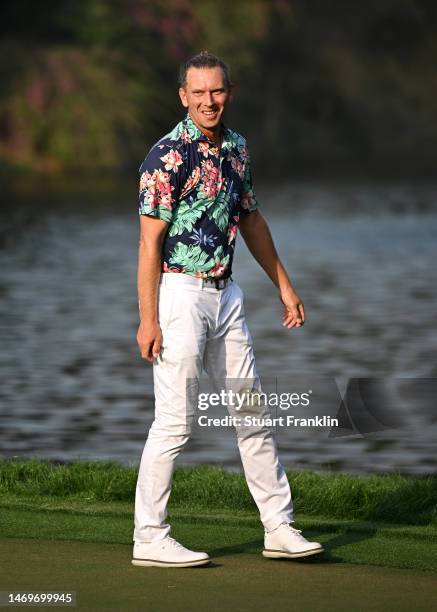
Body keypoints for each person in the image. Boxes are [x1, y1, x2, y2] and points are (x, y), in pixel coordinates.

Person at [132, 51, 323, 568]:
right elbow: (150, 245)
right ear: (183, 97)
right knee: (175, 422)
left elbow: (252, 220)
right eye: (198, 93)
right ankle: (149, 535)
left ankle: (278, 528)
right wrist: (147, 317)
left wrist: (284, 285)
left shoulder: (236, 149)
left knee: (252, 414)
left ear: (228, 93)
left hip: (227, 293)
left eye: (216, 91)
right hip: (178, 296)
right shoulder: (165, 157)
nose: (208, 101)